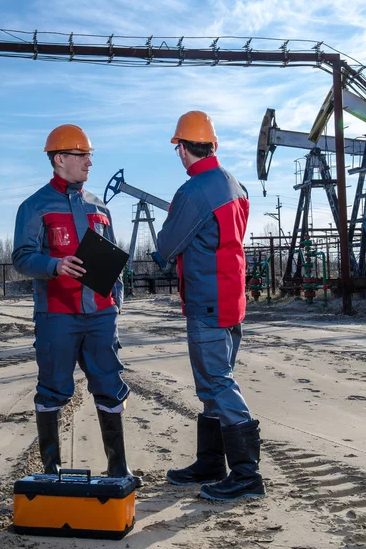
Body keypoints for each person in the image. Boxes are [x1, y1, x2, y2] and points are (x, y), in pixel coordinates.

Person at [12, 124, 140, 486]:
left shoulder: (99, 206)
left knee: (110, 385)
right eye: (82, 155)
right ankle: (50, 468)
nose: (89, 162)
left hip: (100, 316)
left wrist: (115, 299)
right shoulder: (35, 206)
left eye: (90, 155)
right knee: (52, 387)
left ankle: (118, 468)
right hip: (58, 315)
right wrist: (55, 265)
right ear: (59, 159)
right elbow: (22, 258)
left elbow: (114, 257)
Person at [156, 111, 265, 502]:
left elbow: (167, 246)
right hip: (232, 298)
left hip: (207, 301)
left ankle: (247, 474)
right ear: (213, 145)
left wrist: (163, 246)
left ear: (182, 149)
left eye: (178, 148)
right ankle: (210, 464)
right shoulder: (234, 184)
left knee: (218, 382)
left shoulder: (194, 191)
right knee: (212, 384)